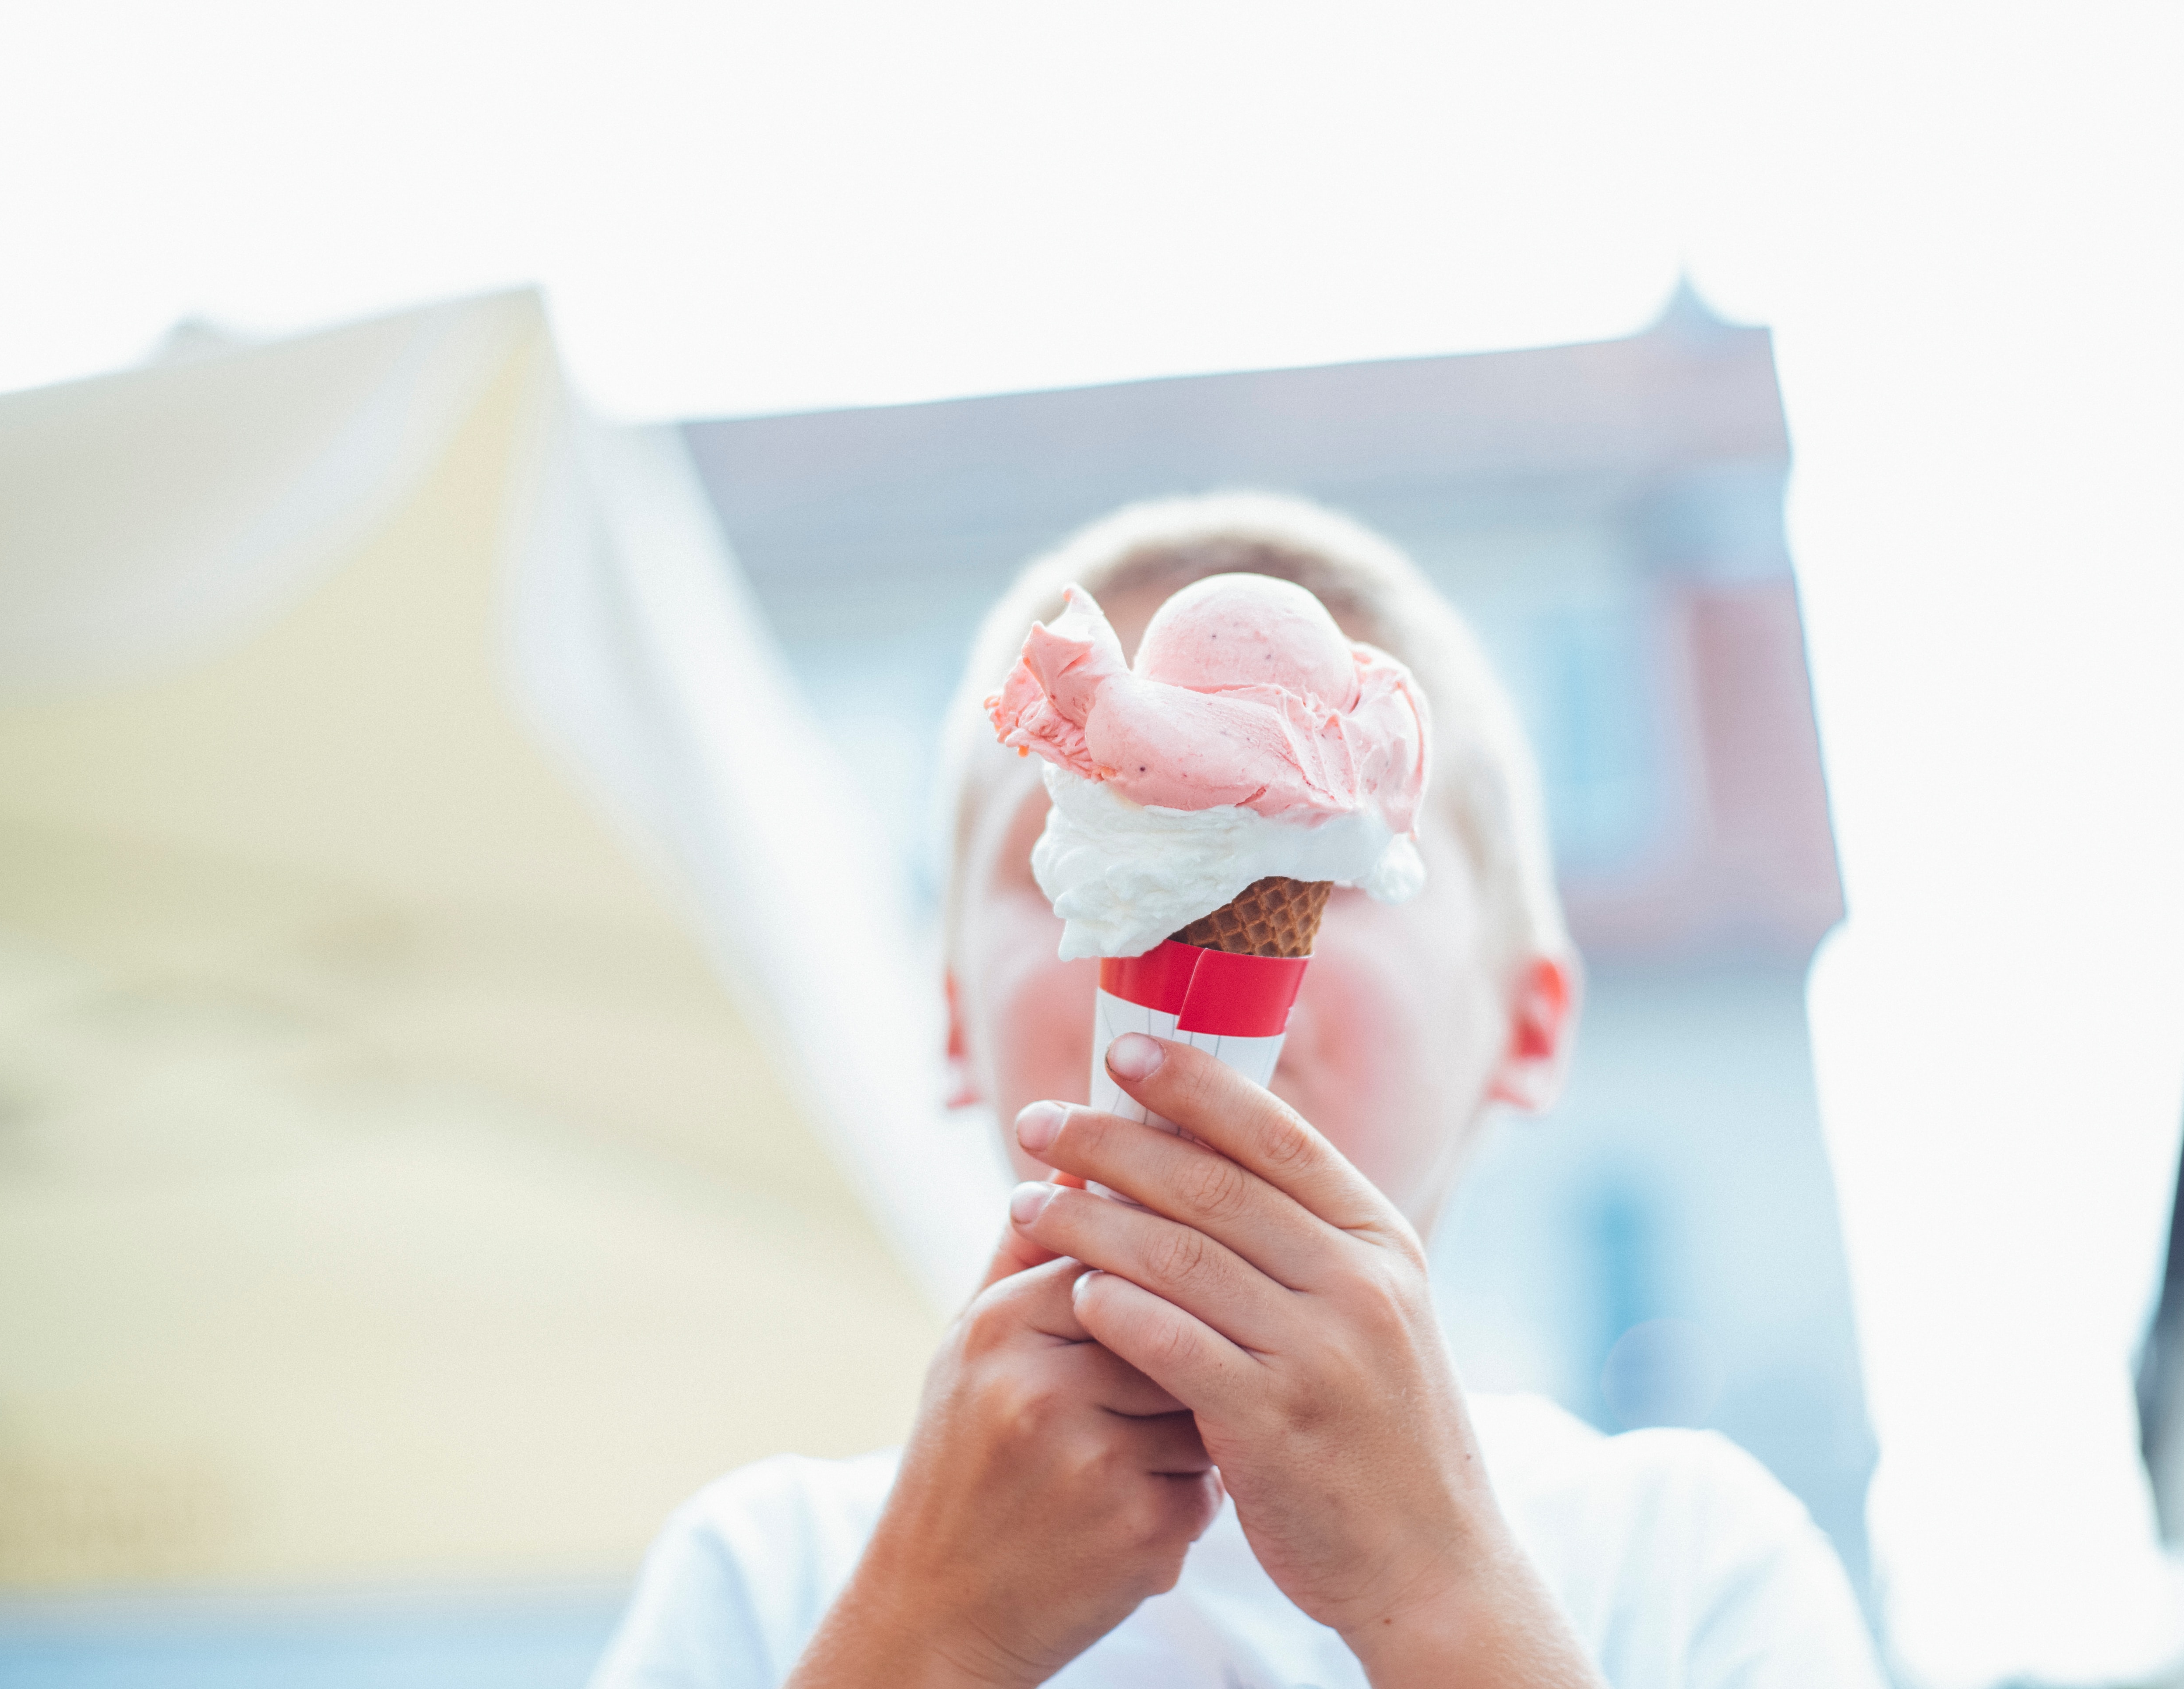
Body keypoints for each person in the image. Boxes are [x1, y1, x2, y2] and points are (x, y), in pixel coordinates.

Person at [590, 494, 1886, 1688]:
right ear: (949, 1023)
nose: (1192, 911)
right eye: (1073, 854)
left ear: (1525, 1026)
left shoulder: (1686, 1562)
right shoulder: (768, 1584)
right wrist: (934, 1630)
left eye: (1319, 869)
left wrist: (1440, 1592)